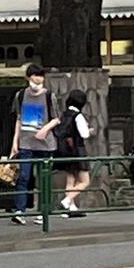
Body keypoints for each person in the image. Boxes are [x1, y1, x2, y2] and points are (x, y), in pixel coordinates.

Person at [7, 63, 56, 224]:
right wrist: (15, 142)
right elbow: (19, 119)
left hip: (45, 144)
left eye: (40, 76)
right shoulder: (21, 95)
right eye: (35, 75)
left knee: (44, 179)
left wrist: (45, 129)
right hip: (26, 143)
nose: (38, 79)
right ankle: (20, 210)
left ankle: (43, 212)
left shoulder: (49, 96)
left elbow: (56, 118)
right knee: (23, 177)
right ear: (28, 77)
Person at [53, 88, 94, 218]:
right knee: (85, 181)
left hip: (65, 152)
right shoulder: (78, 116)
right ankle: (66, 202)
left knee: (71, 180)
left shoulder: (64, 115)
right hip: (78, 151)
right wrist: (89, 130)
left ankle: (71, 208)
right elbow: (84, 134)